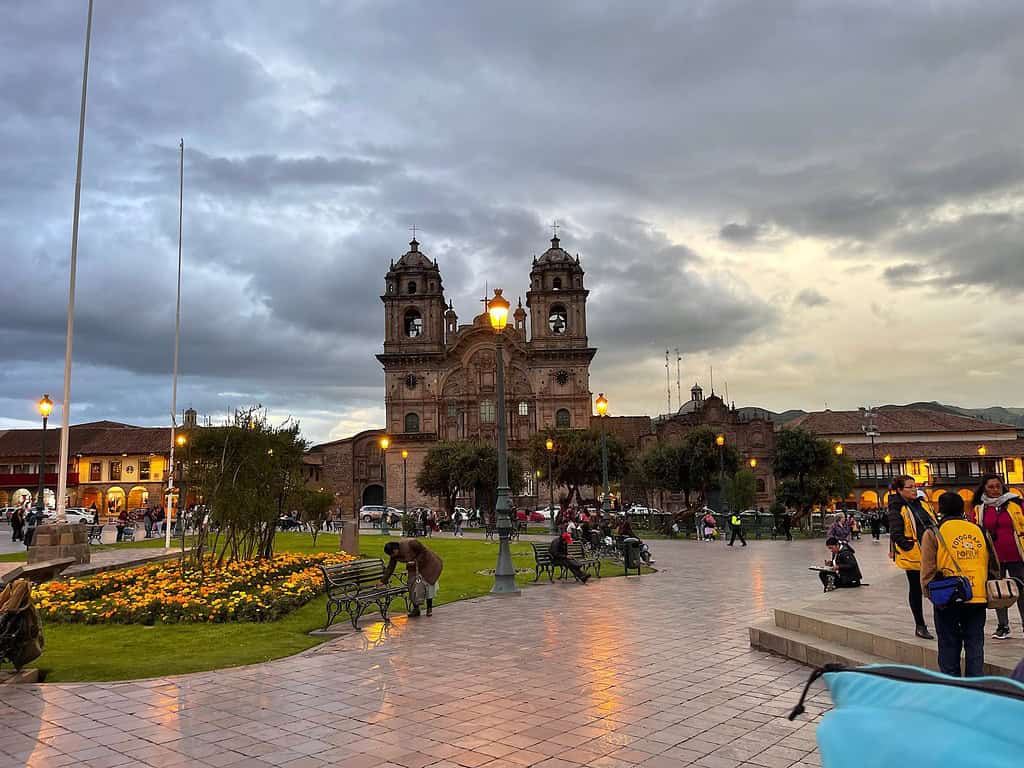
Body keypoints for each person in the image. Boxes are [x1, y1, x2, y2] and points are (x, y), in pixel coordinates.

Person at [921, 491, 1000, 677]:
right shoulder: (979, 530)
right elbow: (994, 564)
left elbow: (928, 569)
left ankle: (952, 685)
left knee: (948, 642)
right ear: (962, 509)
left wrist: (929, 593)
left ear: (940, 510)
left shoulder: (933, 532)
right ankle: (975, 685)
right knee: (975, 643)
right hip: (977, 595)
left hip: (947, 596)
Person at [969, 474, 1024, 640]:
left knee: (1022, 590)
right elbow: (974, 529)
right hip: (993, 557)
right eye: (990, 487)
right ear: (984, 488)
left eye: (997, 486)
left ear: (1003, 487)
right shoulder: (979, 509)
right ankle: (1003, 626)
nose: (995, 490)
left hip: (1017, 554)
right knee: (998, 592)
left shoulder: (1016, 503)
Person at [887, 475, 937, 639]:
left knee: (938, 586)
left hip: (932, 551)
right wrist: (910, 547)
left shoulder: (922, 503)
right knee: (916, 589)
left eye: (915, 486)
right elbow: (896, 534)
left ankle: (942, 621)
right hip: (914, 555)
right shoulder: (897, 508)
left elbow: (933, 521)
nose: (915, 489)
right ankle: (920, 625)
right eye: (910, 487)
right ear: (900, 490)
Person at [381, 539, 443, 617]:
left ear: (395, 549)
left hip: (428, 564)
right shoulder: (394, 555)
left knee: (428, 586)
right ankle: (416, 609)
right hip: (413, 567)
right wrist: (383, 580)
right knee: (412, 585)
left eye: (392, 554)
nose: (392, 556)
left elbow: (424, 552)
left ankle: (429, 608)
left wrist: (416, 561)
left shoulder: (412, 543)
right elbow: (391, 567)